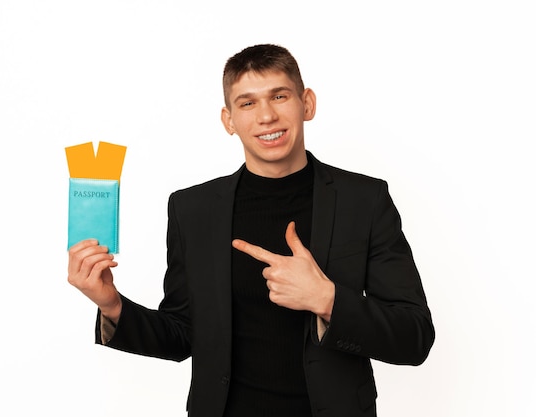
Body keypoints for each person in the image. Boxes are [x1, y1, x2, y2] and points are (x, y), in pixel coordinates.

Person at [68, 44, 434, 417]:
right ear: (229, 120)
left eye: (279, 96)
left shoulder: (365, 201)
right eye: (247, 103)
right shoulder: (192, 210)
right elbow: (182, 334)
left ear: (306, 103)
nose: (267, 116)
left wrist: (327, 299)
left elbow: (415, 337)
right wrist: (111, 305)